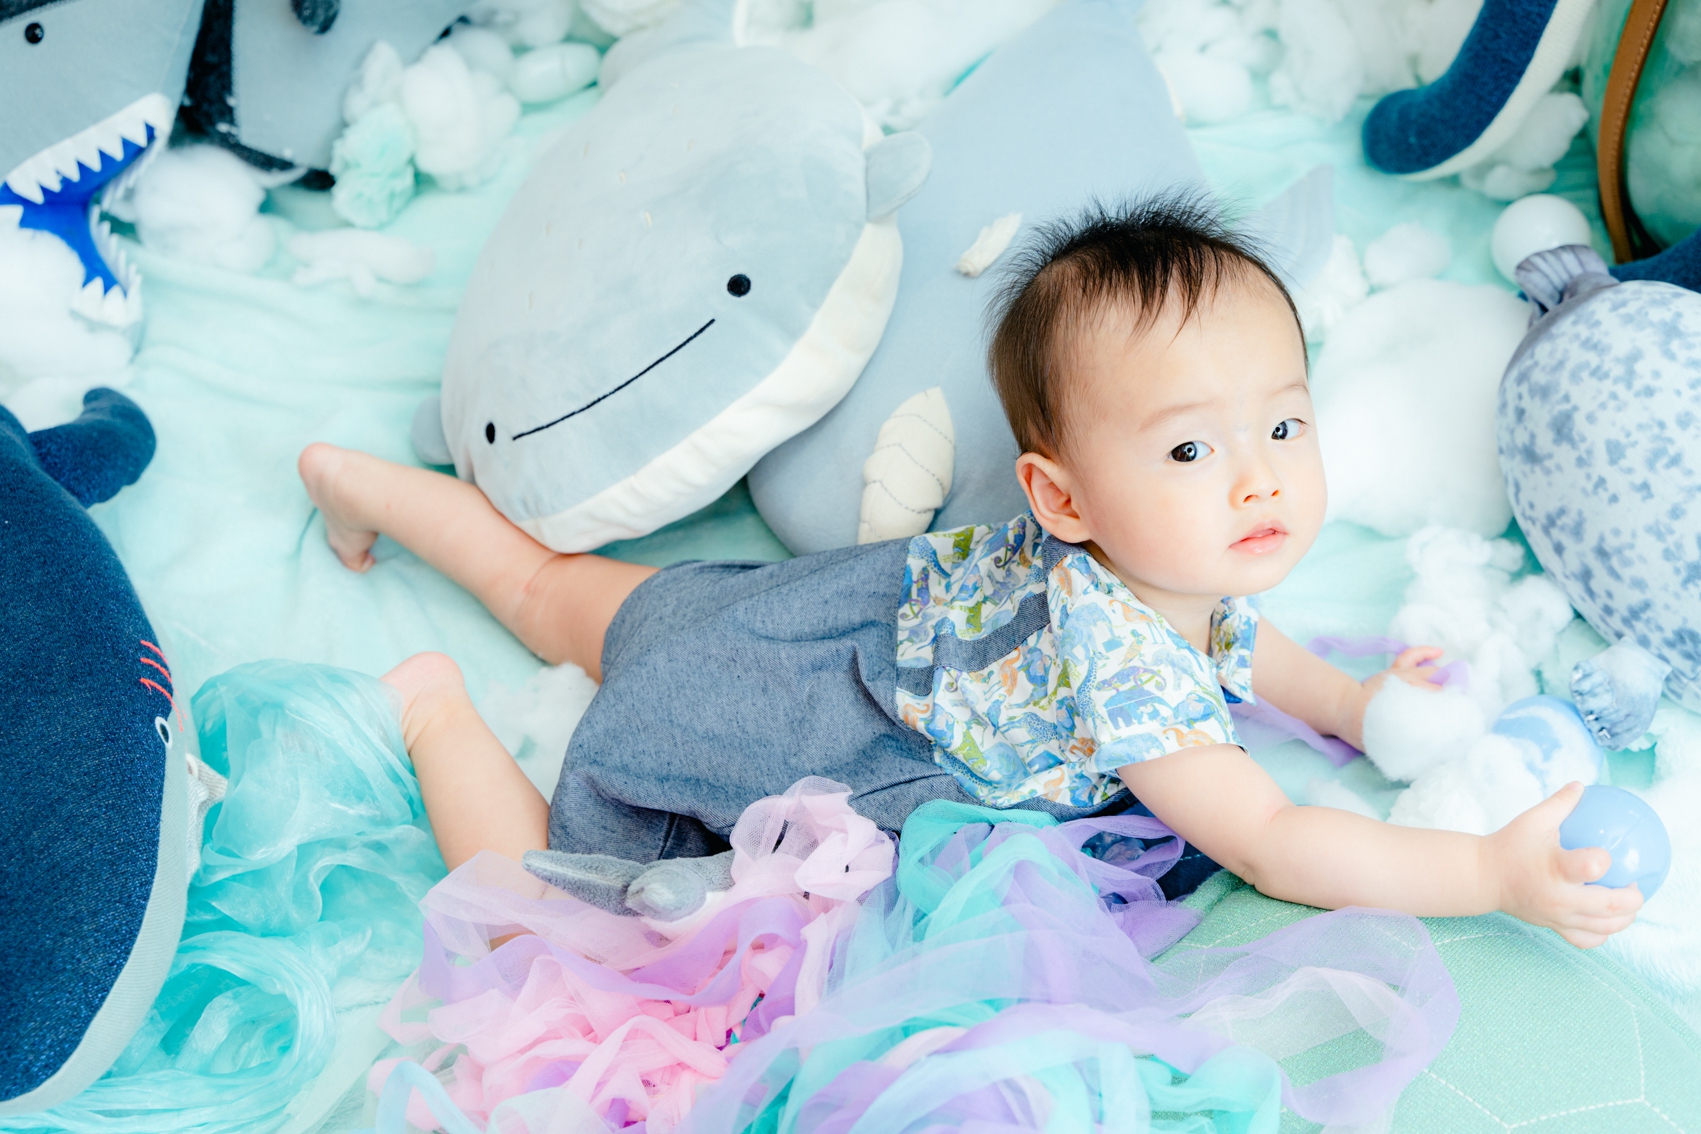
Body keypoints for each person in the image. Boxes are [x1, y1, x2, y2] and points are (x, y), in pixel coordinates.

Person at [299, 196, 1641, 947]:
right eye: (1191, 446)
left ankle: (360, 483)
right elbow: (1276, 840)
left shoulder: (1178, 558)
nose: (1258, 480)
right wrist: (1484, 871)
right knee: (551, 933)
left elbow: (1238, 635)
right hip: (811, 742)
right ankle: (433, 710)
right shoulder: (1131, 673)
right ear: (1059, 497)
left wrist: (1344, 702)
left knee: (560, 594)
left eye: (1283, 426)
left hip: (820, 622)